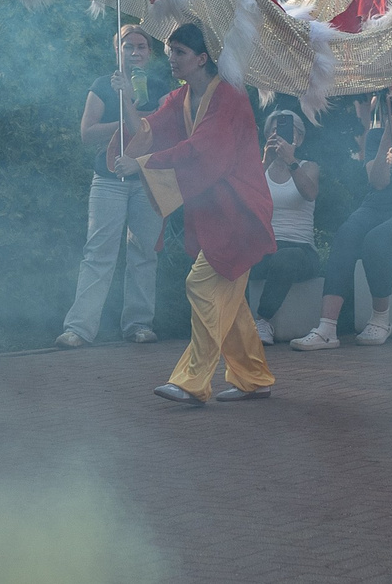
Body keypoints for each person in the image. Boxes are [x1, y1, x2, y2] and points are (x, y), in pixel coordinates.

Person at [119, 23, 277, 405]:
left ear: (202, 58)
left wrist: (143, 163)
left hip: (240, 212)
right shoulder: (180, 98)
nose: (170, 58)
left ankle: (192, 381)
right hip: (215, 213)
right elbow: (148, 129)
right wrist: (126, 98)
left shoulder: (232, 99)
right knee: (232, 303)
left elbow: (204, 152)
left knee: (203, 285)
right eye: (170, 50)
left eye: (179, 52)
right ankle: (254, 376)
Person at [56, 24, 164, 348]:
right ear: (116, 50)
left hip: (147, 178)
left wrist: (131, 104)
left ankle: (139, 324)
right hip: (109, 178)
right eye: (127, 46)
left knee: (144, 252)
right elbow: (87, 133)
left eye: (141, 46)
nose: (134, 52)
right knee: (98, 252)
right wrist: (123, 113)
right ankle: (79, 328)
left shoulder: (160, 85)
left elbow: (158, 132)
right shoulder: (103, 85)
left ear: (149, 52)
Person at [292, 95, 392, 349]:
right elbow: (378, 181)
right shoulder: (377, 135)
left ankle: (381, 318)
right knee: (347, 233)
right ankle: (327, 327)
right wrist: (386, 139)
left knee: (376, 241)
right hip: (376, 203)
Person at [248, 105, 323, 343]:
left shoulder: (309, 166)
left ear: (298, 138)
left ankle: (263, 321)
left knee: (285, 257)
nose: (278, 136)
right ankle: (232, 322)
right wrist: (264, 161)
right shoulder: (260, 168)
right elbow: (246, 201)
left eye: (286, 132)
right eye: (274, 131)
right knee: (234, 254)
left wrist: (291, 162)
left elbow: (310, 193)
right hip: (266, 246)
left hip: (300, 251)